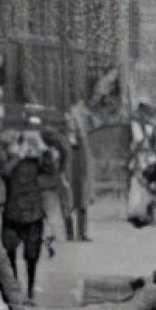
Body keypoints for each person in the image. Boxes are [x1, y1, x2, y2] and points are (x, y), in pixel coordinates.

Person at [0, 128, 59, 302]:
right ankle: (15, 289)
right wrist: (18, 156)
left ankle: (30, 291)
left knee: (32, 255)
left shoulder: (37, 161)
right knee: (10, 253)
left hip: (33, 213)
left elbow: (52, 169)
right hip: (13, 212)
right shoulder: (11, 158)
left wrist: (43, 149)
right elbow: (5, 173)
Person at [64, 99, 94, 240]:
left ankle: (79, 233)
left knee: (79, 199)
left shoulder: (80, 130)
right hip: (76, 167)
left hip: (79, 167)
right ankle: (76, 233)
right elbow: (72, 142)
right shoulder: (74, 125)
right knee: (76, 199)